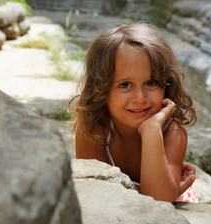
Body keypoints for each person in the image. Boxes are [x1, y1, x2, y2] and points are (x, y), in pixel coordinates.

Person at [69, 23, 198, 203]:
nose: (140, 98)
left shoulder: (172, 133)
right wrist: (160, 188)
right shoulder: (94, 127)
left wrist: (151, 131)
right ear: (101, 89)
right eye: (125, 85)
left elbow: (159, 202)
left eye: (151, 83)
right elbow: (97, 191)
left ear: (167, 83)